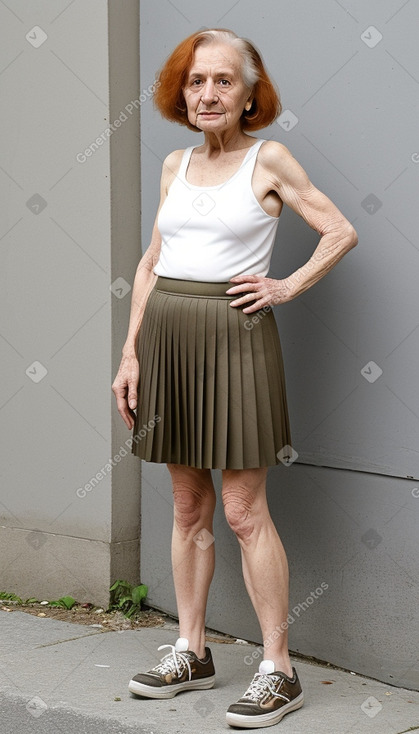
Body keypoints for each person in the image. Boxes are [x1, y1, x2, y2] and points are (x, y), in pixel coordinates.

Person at [112, 27, 358, 729]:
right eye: (195, 81)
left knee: (244, 511)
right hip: (166, 336)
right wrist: (130, 355)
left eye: (223, 80)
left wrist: (286, 286)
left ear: (250, 93)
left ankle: (278, 670)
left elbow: (338, 230)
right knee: (187, 506)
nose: (208, 93)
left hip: (235, 338)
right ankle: (190, 650)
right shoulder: (173, 164)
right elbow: (152, 262)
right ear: (180, 93)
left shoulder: (269, 158)